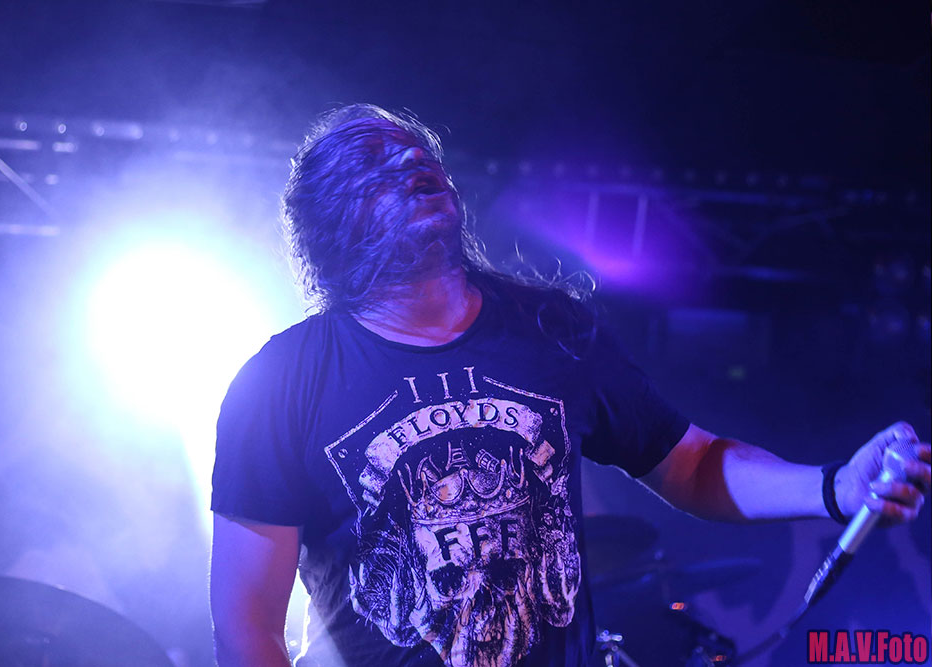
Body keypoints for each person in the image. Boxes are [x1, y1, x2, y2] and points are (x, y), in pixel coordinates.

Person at [208, 104, 931, 667]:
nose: (410, 157)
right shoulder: (280, 383)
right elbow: (247, 623)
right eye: (374, 157)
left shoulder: (549, 328)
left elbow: (689, 463)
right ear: (327, 219)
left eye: (420, 150)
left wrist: (836, 486)